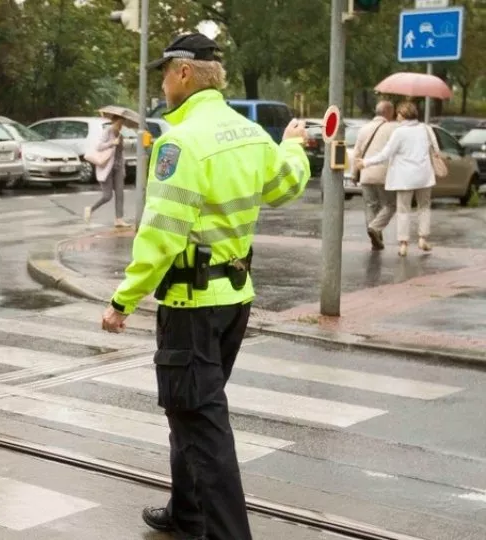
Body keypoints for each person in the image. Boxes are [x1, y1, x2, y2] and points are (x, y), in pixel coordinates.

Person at [100, 33, 310, 540]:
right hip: (234, 300)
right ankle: (187, 512)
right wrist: (295, 148)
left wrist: (123, 300)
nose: (162, 84)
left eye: (164, 74)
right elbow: (287, 187)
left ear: (184, 73)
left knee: (200, 423)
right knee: (189, 410)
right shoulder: (250, 133)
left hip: (190, 305)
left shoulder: (182, 141)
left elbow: (161, 235)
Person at [356, 101, 438, 257]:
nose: (397, 117)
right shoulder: (426, 129)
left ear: (403, 114)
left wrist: (366, 162)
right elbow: (436, 149)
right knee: (424, 207)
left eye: (398, 114)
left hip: (405, 178)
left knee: (403, 210)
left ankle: (403, 244)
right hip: (424, 176)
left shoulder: (399, 132)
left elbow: (385, 154)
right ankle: (422, 238)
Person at [353, 101, 398, 250]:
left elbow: (357, 153)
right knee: (391, 205)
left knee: (371, 205)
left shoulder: (364, 129)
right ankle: (375, 228)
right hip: (385, 175)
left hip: (366, 174)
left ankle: (375, 236)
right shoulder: (393, 128)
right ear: (389, 112)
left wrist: (355, 174)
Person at [84, 114, 129, 228]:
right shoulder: (107, 132)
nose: (120, 125)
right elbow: (99, 146)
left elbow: (121, 154)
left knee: (120, 193)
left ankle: (119, 219)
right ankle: (90, 209)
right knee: (107, 196)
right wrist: (112, 143)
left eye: (122, 123)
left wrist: (123, 169)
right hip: (107, 168)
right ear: (113, 121)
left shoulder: (120, 135)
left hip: (118, 168)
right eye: (119, 123)